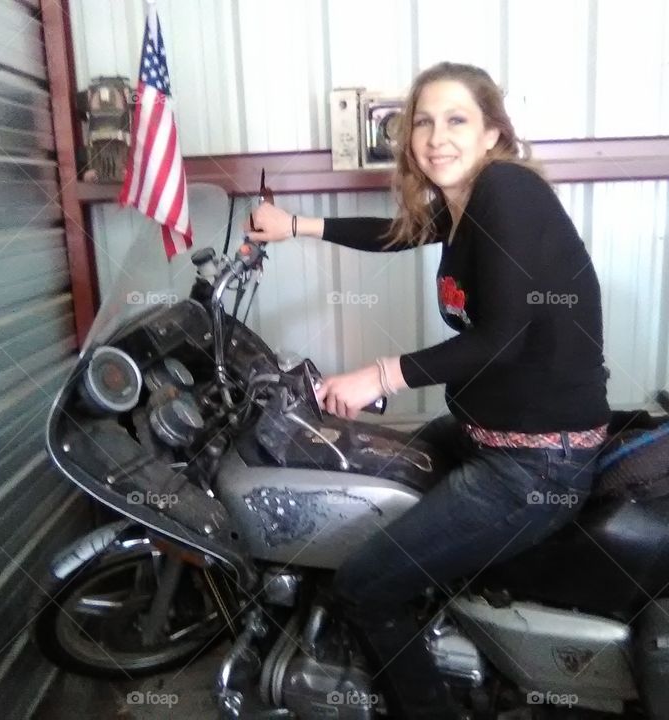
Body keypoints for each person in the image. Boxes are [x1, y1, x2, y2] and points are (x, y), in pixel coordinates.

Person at [245, 62, 610, 719]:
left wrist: (377, 376)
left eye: (456, 120)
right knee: (370, 488)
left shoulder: (506, 190)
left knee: (365, 586)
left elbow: (503, 335)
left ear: (494, 132)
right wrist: (294, 226)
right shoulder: (468, 204)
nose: (436, 137)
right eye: (423, 122)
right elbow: (399, 233)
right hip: (486, 437)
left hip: (532, 463)